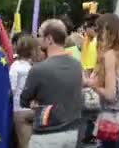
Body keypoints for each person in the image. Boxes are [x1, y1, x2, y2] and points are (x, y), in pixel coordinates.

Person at [21, 19, 83, 147]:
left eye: (40, 36)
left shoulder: (39, 69)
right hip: (72, 133)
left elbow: (24, 100)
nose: (37, 40)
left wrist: (34, 102)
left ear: (49, 39)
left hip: (47, 134)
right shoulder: (77, 65)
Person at [87, 14, 119, 148]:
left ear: (106, 32)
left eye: (98, 30)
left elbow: (110, 95)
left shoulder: (110, 55)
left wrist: (91, 84)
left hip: (112, 124)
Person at [10, 35, 40, 148]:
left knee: (23, 143)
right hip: (33, 109)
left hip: (19, 110)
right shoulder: (33, 67)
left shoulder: (15, 66)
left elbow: (12, 88)